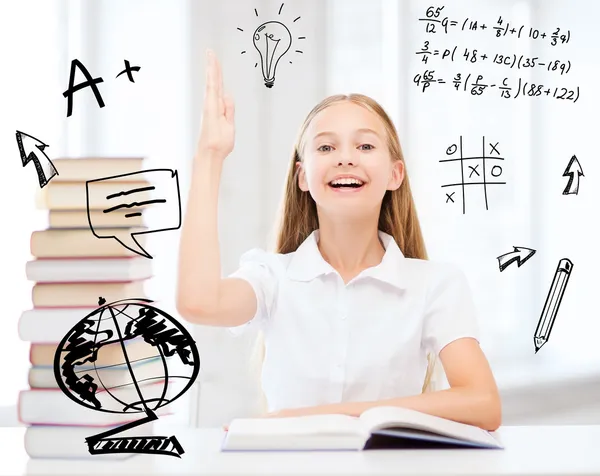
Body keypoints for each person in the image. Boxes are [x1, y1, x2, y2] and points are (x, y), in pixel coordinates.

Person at [177, 49, 502, 432]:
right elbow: (198, 303)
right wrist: (209, 157)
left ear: (395, 174)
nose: (345, 158)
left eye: (365, 146)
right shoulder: (271, 278)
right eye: (326, 147)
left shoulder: (436, 285)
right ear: (303, 177)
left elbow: (483, 403)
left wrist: (316, 418)